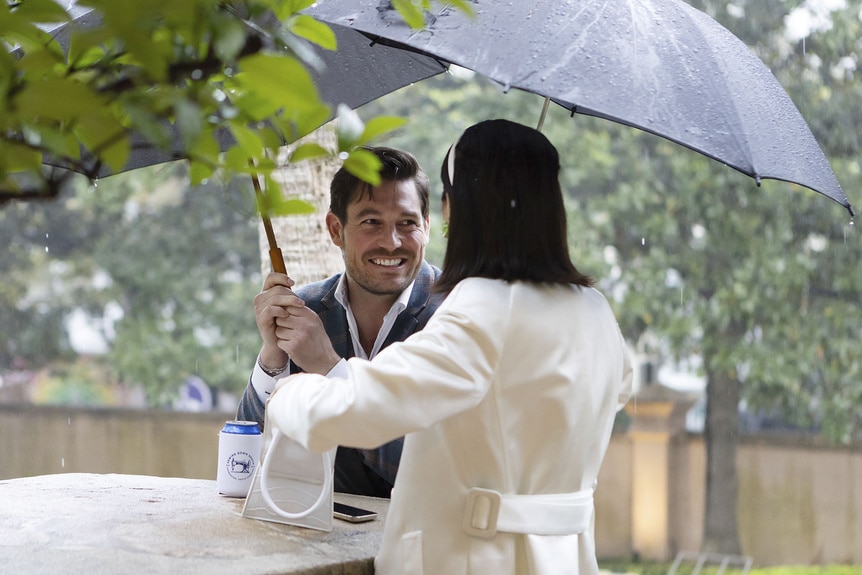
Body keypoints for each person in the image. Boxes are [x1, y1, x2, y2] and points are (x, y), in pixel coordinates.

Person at [266, 119, 633, 575]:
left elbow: (362, 409)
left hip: (474, 559)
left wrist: (288, 396)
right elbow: (607, 396)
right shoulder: (594, 311)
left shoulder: (482, 306)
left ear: (454, 209)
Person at [235, 146, 444, 498]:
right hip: (314, 540)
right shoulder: (305, 311)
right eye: (371, 222)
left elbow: (433, 470)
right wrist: (274, 357)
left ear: (426, 226)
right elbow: (246, 457)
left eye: (406, 223)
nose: (391, 242)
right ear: (336, 229)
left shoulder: (456, 316)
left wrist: (328, 369)